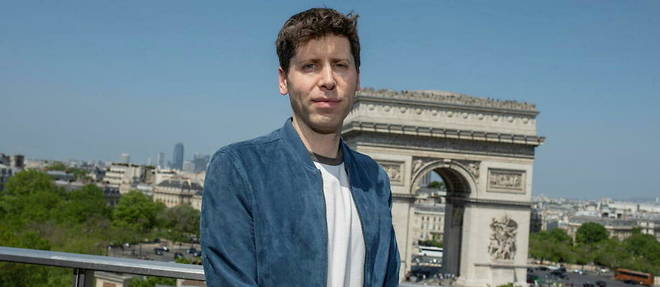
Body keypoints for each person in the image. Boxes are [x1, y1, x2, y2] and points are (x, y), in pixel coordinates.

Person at [201, 8, 400, 287]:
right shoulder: (239, 168)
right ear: (283, 80)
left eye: (340, 65)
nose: (328, 80)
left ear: (357, 79)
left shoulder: (375, 178)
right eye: (310, 66)